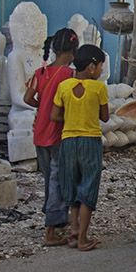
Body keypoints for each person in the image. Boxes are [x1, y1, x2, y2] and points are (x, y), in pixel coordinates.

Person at [24, 28, 79, 246]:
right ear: (73, 50)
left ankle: (53, 220)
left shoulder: (40, 72)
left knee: (49, 178)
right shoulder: (69, 75)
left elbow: (27, 98)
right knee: (58, 179)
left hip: (39, 131)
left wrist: (42, 106)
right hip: (58, 133)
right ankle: (51, 229)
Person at [51, 45, 109, 252]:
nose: (101, 70)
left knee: (72, 187)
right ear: (92, 67)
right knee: (88, 188)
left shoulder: (64, 86)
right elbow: (105, 116)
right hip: (90, 141)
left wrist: (71, 117)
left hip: (68, 141)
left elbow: (54, 115)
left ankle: (74, 230)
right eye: (101, 65)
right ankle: (83, 238)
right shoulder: (99, 88)